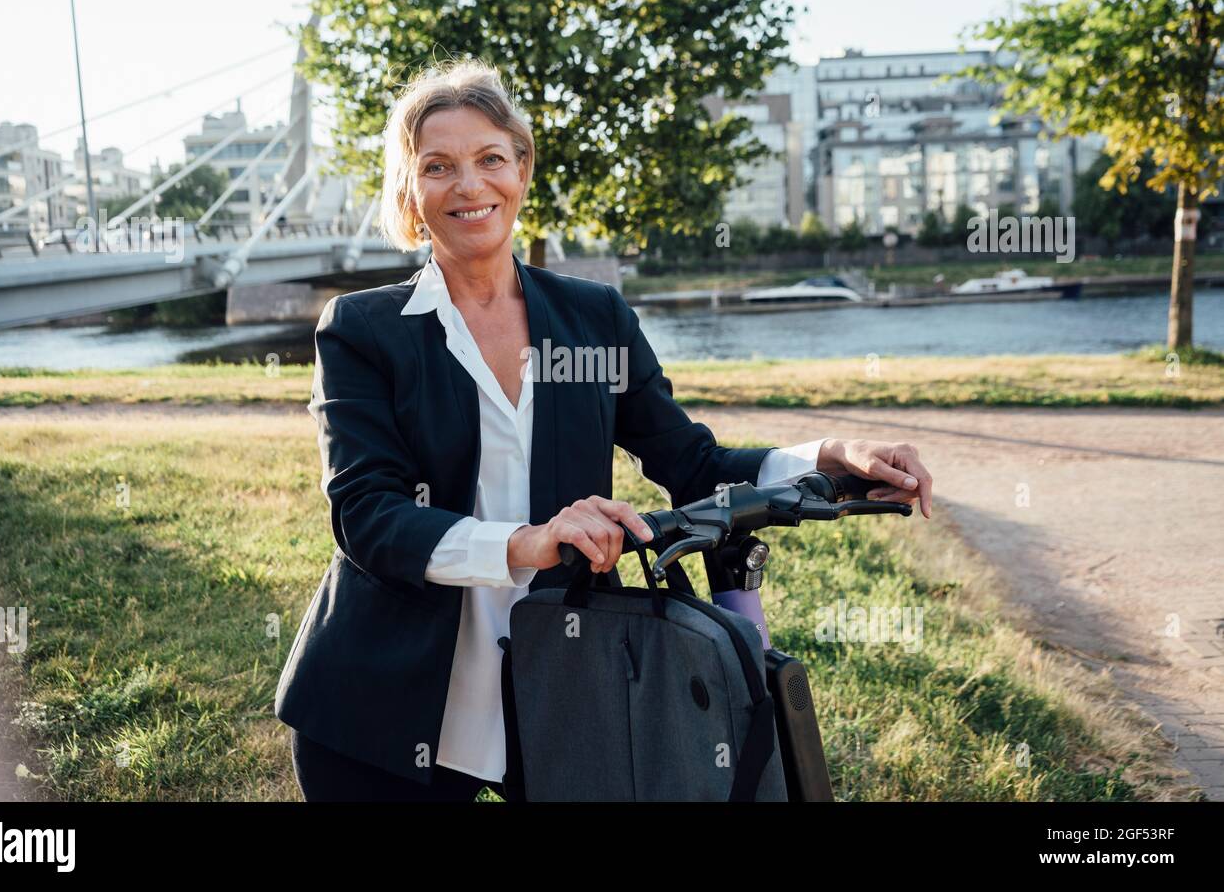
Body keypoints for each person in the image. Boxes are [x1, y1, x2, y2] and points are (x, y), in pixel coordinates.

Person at [274, 58, 934, 802]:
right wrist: (527, 541)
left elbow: (691, 461)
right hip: (380, 705)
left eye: (491, 158)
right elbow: (367, 516)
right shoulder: (363, 331)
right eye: (438, 166)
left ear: (522, 168)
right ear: (409, 191)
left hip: (561, 685)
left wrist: (831, 456)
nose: (469, 185)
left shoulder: (594, 319)